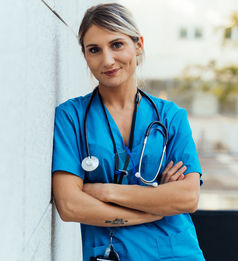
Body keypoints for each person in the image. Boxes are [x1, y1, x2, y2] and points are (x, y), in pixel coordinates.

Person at [51, 3, 205, 260]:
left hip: (176, 252)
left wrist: (104, 192)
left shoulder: (170, 117)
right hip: (113, 253)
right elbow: (70, 205)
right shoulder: (71, 117)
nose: (107, 60)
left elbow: (187, 197)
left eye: (117, 44)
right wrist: (156, 205)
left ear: (139, 45)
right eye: (94, 50)